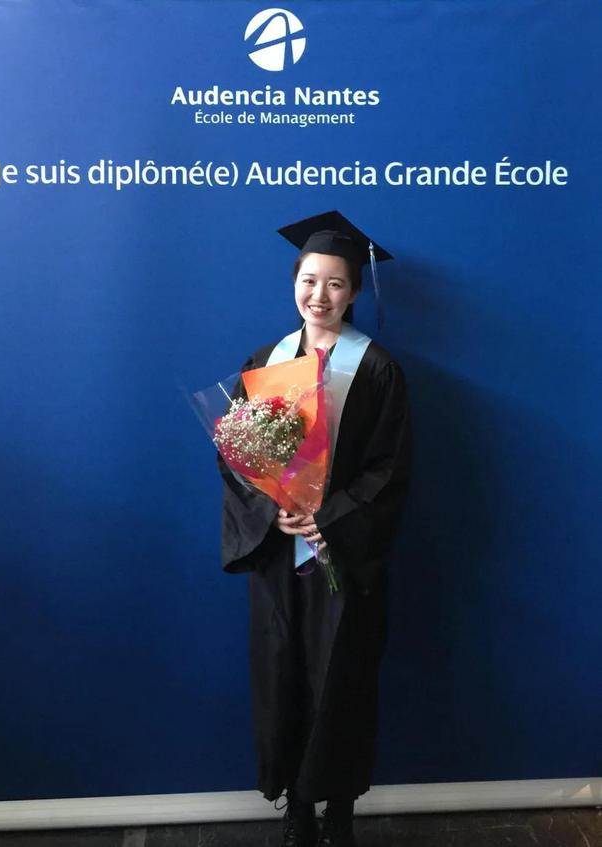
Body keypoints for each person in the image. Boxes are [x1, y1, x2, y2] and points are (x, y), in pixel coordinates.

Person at [218, 211, 412, 847]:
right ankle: (296, 806)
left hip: (342, 555)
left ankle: (340, 809)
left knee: (343, 675)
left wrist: (330, 519)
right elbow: (238, 458)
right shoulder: (265, 362)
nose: (319, 295)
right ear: (293, 284)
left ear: (353, 293)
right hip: (280, 556)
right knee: (284, 673)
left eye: (335, 283)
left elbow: (389, 466)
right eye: (309, 280)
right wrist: (271, 508)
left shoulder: (376, 368)